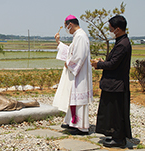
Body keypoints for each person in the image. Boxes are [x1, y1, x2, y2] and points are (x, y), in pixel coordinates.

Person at [91, 15, 132, 147]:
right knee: (112, 112)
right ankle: (115, 135)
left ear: (118, 29)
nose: (109, 30)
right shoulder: (121, 42)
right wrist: (104, 62)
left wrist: (99, 65)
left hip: (117, 84)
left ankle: (119, 139)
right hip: (114, 83)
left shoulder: (123, 44)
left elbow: (114, 64)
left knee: (117, 113)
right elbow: (114, 62)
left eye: (111, 28)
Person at [53, 15, 93, 135]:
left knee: (78, 100)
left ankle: (81, 126)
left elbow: (79, 56)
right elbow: (70, 50)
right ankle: (73, 122)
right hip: (76, 74)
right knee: (73, 99)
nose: (67, 29)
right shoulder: (77, 36)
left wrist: (69, 64)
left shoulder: (80, 36)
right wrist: (59, 43)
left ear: (70, 24)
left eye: (66, 27)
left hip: (79, 75)